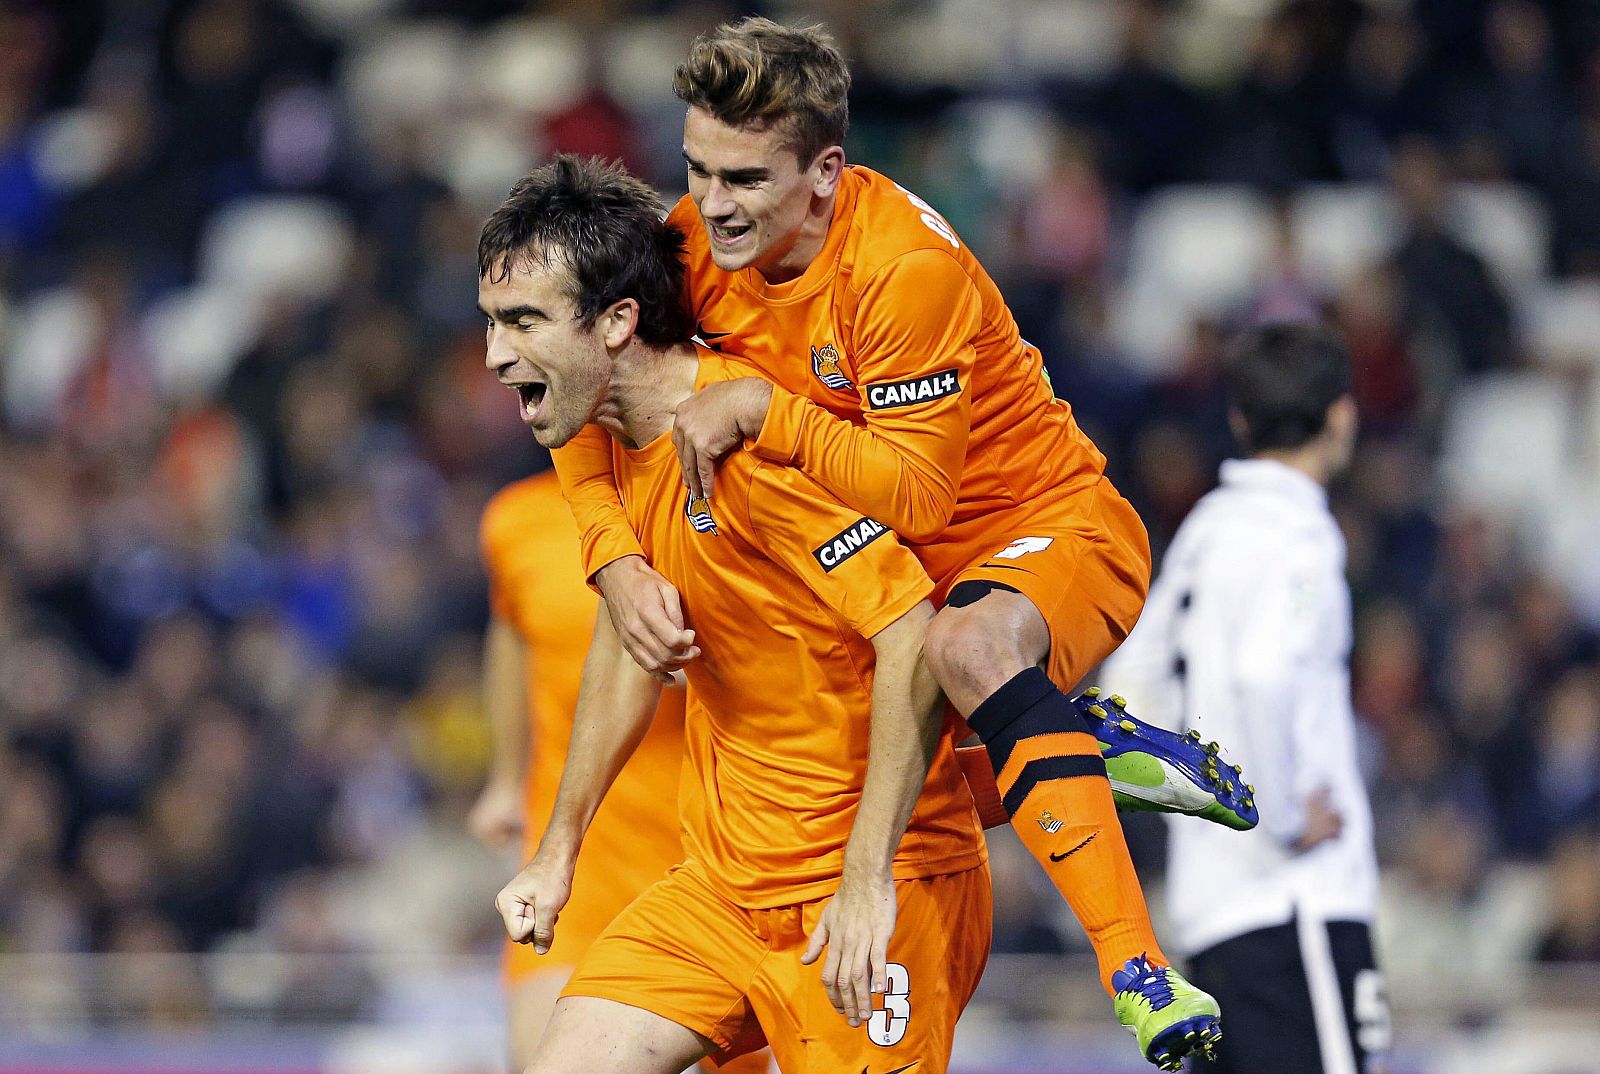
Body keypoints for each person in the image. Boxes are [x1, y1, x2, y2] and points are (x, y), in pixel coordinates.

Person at [550, 17, 1236, 1068]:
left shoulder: (903, 269)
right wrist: (613, 553)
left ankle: (1136, 968)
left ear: (826, 171)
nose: (714, 203)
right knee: (824, 761)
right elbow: (581, 377)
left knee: (965, 651)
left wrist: (760, 409)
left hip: (1041, 531)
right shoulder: (693, 247)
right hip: (898, 574)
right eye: (698, 170)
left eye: (745, 178)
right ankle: (1067, 751)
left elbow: (919, 496)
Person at [482, 156, 991, 1074]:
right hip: (719, 888)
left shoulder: (743, 446)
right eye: (492, 321)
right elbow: (632, 641)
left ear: (618, 322)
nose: (494, 354)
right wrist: (558, 852)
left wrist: (866, 880)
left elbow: (909, 628)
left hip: (863, 886)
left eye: (522, 322)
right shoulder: (618, 448)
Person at [1104, 323, 1391, 1074]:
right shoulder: (1301, 536)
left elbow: (1127, 688)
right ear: (1342, 415)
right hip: (1295, 905)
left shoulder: (1207, 530)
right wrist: (1286, 820)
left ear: (1239, 419)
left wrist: (1197, 807)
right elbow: (1266, 673)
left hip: (1210, 909)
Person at [471, 469, 771, 1074]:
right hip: (578, 871)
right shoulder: (515, 521)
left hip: (713, 867)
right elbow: (511, 632)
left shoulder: (720, 502)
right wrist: (504, 777)